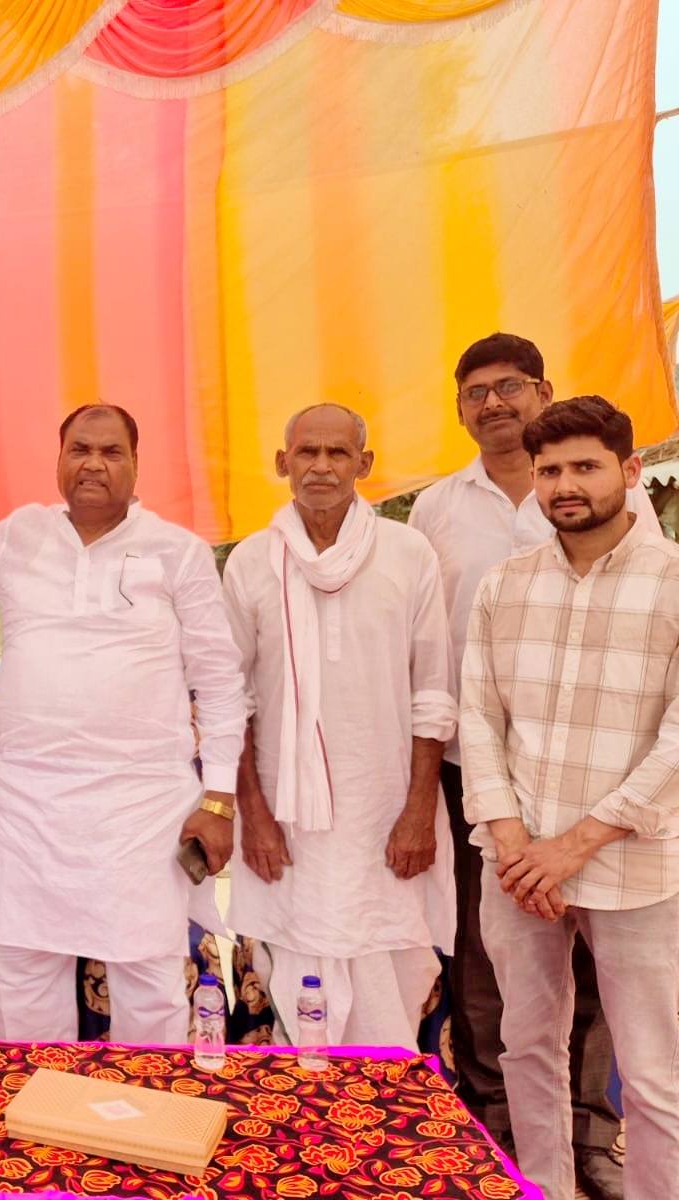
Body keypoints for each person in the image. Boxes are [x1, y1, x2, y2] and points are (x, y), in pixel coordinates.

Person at [409, 333, 628, 1190]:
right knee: (487, 961)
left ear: (543, 391)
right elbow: (428, 649)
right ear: (459, 409)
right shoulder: (435, 509)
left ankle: (588, 1138)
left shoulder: (600, 493)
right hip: (480, 776)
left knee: (597, 962)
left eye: (509, 387)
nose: (493, 403)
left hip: (594, 775)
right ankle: (494, 1139)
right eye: (476, 392)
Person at [0, 404, 246, 1042]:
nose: (94, 464)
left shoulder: (177, 552)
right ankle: (46, 1105)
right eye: (80, 449)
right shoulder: (16, 536)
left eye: (111, 452)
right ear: (59, 459)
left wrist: (219, 801)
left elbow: (221, 683)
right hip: (25, 806)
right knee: (22, 981)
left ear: (136, 464)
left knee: (150, 989)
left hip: (141, 809)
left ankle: (144, 1109)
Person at [461, 395, 679, 1200]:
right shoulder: (505, 585)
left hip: (634, 866)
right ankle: (544, 1192)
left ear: (630, 471)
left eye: (585, 466)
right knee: (525, 1050)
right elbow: (478, 717)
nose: (564, 485)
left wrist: (575, 844)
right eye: (549, 470)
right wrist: (515, 840)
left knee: (653, 1073)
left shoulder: (673, 581)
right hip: (517, 865)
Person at [224, 404, 456, 1047]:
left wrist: (418, 811)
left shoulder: (408, 554)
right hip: (286, 825)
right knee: (297, 976)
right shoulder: (252, 561)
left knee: (393, 974)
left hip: (387, 814)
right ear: (283, 463)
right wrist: (253, 813)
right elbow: (231, 698)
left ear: (364, 463)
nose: (321, 466)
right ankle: (312, 1104)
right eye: (307, 452)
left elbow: (434, 691)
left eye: (337, 453)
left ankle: (385, 1102)